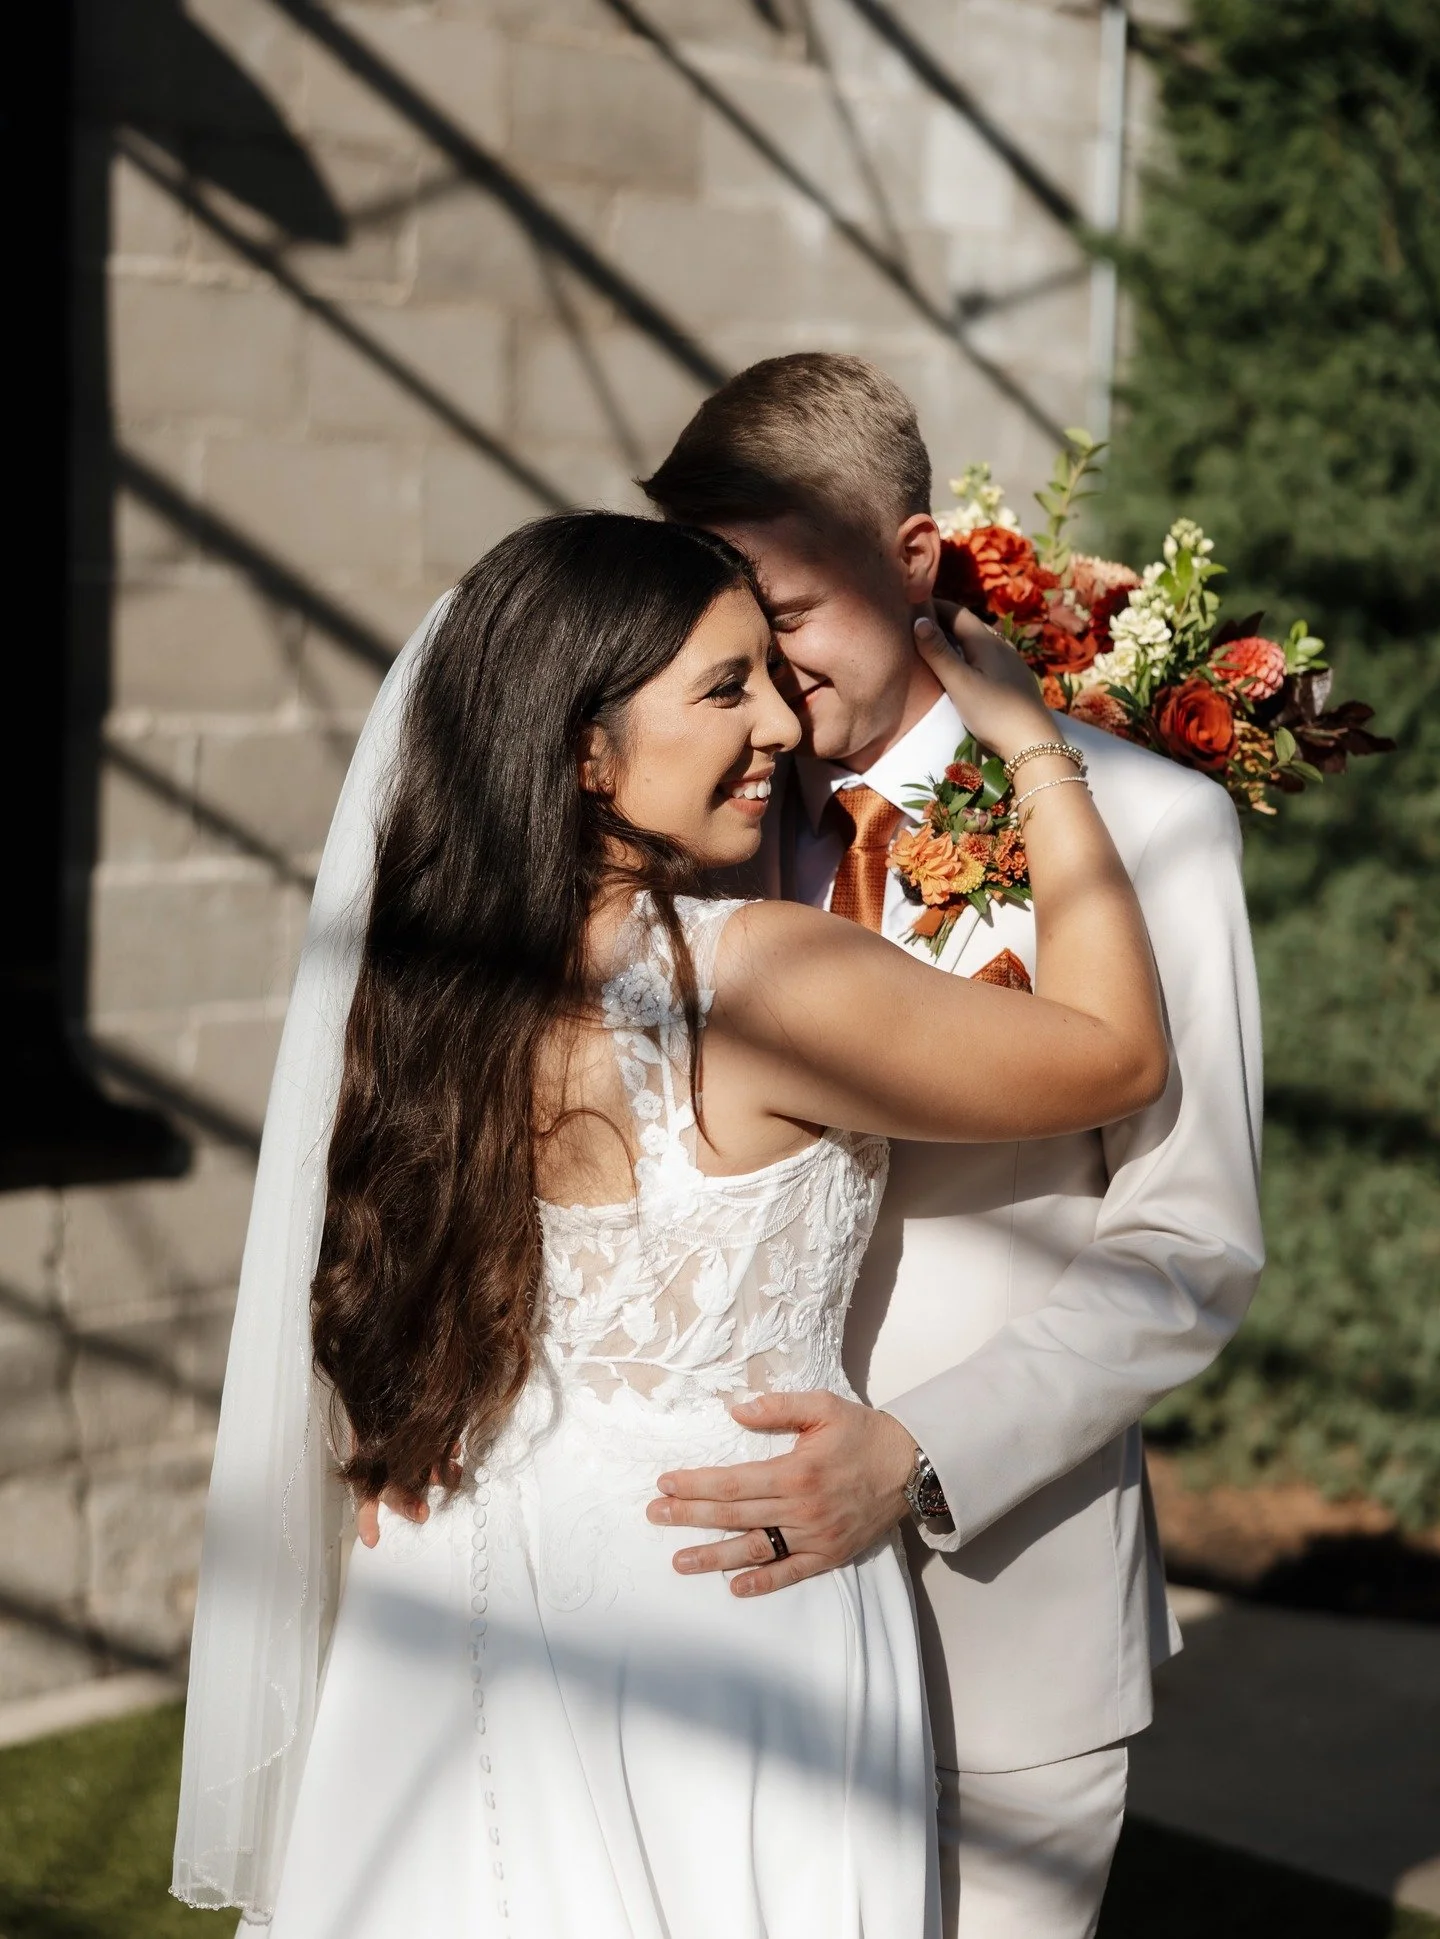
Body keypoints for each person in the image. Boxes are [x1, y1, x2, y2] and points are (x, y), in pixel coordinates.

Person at [172, 509, 1167, 1937]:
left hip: (457, 1576)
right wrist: (1035, 750)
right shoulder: (758, 979)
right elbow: (1116, 1057)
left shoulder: (417, 997)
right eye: (723, 688)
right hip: (722, 1604)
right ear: (586, 751)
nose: (782, 723)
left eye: (770, 673)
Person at [635, 353, 1266, 1939]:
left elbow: (1189, 1247)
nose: (760, 680)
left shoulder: (1151, 830)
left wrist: (914, 1451)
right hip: (717, 1599)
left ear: (912, 559)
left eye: (786, 613)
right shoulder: (696, 828)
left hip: (1004, 1612)